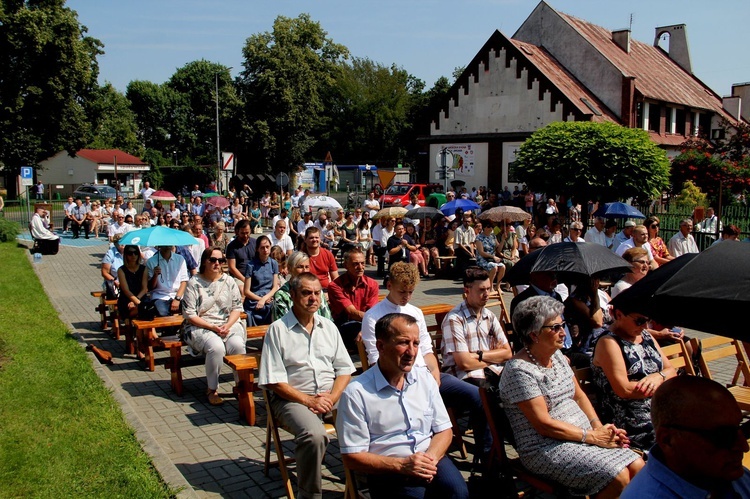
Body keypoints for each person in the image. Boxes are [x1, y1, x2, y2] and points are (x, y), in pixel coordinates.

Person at [499, 296, 644, 497]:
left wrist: (598, 427)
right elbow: (544, 424)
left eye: (563, 325)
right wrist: (592, 437)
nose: (562, 332)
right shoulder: (519, 371)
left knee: (638, 466)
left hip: (582, 435)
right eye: (555, 327)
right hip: (545, 446)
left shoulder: (556, 356)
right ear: (534, 335)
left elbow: (579, 396)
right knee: (618, 476)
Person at [361, 262, 490, 465]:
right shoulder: (373, 317)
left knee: (478, 397)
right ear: (389, 285)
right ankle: (430, 454)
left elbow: (428, 352)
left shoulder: (415, 312)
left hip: (426, 376)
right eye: (402, 291)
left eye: (411, 292)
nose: (407, 297)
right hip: (398, 381)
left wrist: (435, 377)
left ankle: (486, 461)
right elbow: (376, 360)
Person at [337, 313, 469, 499]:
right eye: (403, 343)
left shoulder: (424, 379)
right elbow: (352, 457)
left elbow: (444, 430)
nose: (412, 352)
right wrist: (402, 465)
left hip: (429, 457)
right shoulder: (356, 393)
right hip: (388, 470)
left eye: (416, 344)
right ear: (381, 346)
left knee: (457, 492)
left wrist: (428, 460)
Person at [258, 273, 356, 499]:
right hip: (290, 399)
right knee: (314, 435)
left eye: (317, 293)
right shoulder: (278, 330)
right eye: (306, 293)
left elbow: (344, 370)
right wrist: (308, 400)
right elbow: (274, 381)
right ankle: (309, 495)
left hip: (328, 395)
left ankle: (360, 485)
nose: (313, 298)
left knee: (364, 419)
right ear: (292, 295)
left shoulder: (329, 327)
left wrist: (332, 397)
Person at [621, 376, 750, 498]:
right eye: (723, 436)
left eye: (741, 429)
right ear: (668, 440)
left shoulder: (719, 473)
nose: (744, 446)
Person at [591, 292, 676, 451]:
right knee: (681, 438)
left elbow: (671, 370)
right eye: (640, 321)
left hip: (657, 407)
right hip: (629, 419)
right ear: (619, 314)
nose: (645, 326)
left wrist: (658, 376)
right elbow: (624, 390)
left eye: (648, 320)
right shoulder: (609, 342)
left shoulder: (644, 336)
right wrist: (663, 385)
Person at [182, 247, 246, 406]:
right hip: (202, 325)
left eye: (221, 260)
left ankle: (241, 386)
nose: (217, 263)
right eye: (213, 260)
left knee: (237, 345)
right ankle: (212, 389)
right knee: (216, 347)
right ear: (205, 261)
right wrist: (212, 327)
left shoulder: (229, 281)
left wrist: (228, 325)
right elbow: (190, 314)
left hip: (227, 324)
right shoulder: (194, 283)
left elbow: (237, 308)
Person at [441, 267, 512, 383]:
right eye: (481, 290)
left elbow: (508, 353)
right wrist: (493, 358)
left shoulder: (490, 316)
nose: (487, 294)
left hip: (493, 373)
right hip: (464, 378)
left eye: (488, 289)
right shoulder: (455, 319)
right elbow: (464, 363)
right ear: (467, 291)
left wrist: (477, 355)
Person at [327, 248, 379, 349]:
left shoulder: (372, 284)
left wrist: (367, 327)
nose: (360, 267)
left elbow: (372, 311)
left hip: (366, 323)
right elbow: (351, 312)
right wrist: (369, 325)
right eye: (356, 264)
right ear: (346, 266)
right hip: (344, 325)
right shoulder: (335, 286)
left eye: (363, 263)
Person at [272, 251, 332, 321]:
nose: (304, 271)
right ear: (290, 268)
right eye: (300, 267)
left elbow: (327, 318)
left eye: (307, 267)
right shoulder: (281, 295)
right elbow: (281, 324)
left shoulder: (317, 291)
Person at [243, 235, 280, 326]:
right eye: (262, 248)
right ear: (257, 249)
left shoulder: (273, 263)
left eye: (267, 247)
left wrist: (264, 299)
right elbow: (246, 291)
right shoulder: (250, 265)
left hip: (268, 297)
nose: (265, 250)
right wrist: (261, 299)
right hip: (254, 298)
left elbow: (275, 287)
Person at [146, 245, 189, 317]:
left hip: (178, 295)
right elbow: (151, 287)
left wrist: (177, 299)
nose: (167, 246)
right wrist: (155, 275)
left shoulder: (180, 259)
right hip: (160, 296)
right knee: (161, 311)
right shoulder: (151, 261)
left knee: (189, 310)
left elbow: (184, 281)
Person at [117, 244, 148, 319]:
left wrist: (137, 301)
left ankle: (142, 330)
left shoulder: (144, 269)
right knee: (140, 310)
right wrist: (137, 302)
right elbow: (126, 290)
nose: (133, 255)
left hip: (140, 297)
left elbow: (144, 289)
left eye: (136, 253)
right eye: (130, 253)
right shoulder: (121, 270)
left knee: (144, 309)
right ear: (126, 255)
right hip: (126, 298)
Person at [474, 221, 505, 294]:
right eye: (488, 227)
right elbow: (481, 252)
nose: (490, 228)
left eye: (492, 227)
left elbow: (498, 249)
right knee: (494, 267)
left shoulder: (493, 236)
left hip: (492, 259)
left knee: (503, 266)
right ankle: (490, 287)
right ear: (484, 228)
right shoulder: (479, 237)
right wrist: (493, 256)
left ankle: (497, 286)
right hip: (482, 259)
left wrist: (503, 240)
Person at [226, 220, 257, 289]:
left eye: (247, 233)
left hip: (254, 275)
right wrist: (244, 280)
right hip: (239, 277)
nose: (245, 236)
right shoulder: (232, 246)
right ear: (237, 232)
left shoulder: (255, 243)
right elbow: (232, 268)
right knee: (242, 290)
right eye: (242, 233)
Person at [101, 234, 125, 298]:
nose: (123, 244)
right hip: (114, 284)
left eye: (124, 242)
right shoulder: (110, 253)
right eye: (120, 242)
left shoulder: (130, 253)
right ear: (116, 244)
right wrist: (116, 282)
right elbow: (104, 272)